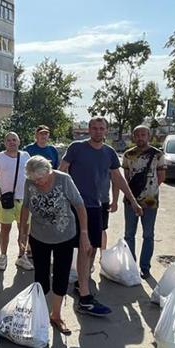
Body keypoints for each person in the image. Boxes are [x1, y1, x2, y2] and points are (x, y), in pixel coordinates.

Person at [60, 117, 141, 316]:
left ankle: (82, 281)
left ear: (106, 130)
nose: (97, 131)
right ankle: (84, 297)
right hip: (78, 204)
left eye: (101, 128)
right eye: (94, 128)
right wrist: (59, 198)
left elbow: (117, 177)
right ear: (88, 129)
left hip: (99, 205)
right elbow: (62, 171)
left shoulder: (109, 152)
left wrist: (132, 199)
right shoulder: (76, 148)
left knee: (93, 246)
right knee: (83, 247)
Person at [18, 156, 91, 335]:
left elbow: (80, 206)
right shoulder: (29, 182)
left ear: (49, 171)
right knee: (41, 276)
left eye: (40, 179)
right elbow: (26, 206)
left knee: (61, 275)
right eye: (34, 180)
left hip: (65, 235)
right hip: (38, 235)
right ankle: (40, 315)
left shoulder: (64, 180)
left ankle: (56, 315)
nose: (38, 183)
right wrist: (22, 232)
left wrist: (84, 234)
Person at [118, 125, 166, 278]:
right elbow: (125, 177)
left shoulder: (158, 155)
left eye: (143, 134)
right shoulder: (128, 154)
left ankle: (145, 268)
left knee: (148, 235)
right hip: (130, 200)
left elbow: (161, 177)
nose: (140, 137)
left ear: (149, 136)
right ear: (133, 137)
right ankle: (131, 265)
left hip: (151, 202)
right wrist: (133, 195)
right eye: (137, 134)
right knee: (129, 234)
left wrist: (148, 191)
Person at [0, 132, 31, 271]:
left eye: (14, 139)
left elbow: (31, 176)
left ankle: (21, 256)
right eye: (9, 140)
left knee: (23, 229)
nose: (12, 142)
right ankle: (3, 255)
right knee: (5, 229)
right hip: (6, 200)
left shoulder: (25, 156)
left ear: (19, 141)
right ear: (4, 142)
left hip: (24, 200)